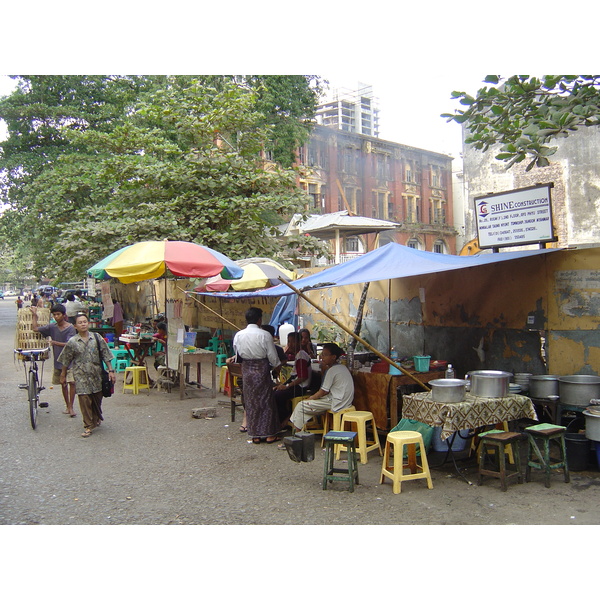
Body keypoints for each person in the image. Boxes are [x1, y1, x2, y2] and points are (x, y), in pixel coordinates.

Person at [58, 313, 116, 438]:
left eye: (85, 321)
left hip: (96, 374)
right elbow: (66, 359)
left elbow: (106, 354)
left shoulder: (96, 338)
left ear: (88, 323)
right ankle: (88, 426)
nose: (83, 324)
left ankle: (96, 418)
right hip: (81, 375)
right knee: (84, 400)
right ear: (75, 326)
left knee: (96, 399)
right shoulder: (73, 342)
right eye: (80, 322)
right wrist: (63, 375)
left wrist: (111, 370)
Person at [230, 306, 281, 444]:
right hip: (262, 369)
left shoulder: (239, 335)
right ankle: (270, 434)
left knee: (251, 401)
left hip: (247, 369)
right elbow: (273, 357)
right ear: (259, 320)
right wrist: (276, 365)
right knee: (266, 401)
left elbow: (237, 353)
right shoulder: (265, 335)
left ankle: (255, 435)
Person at [286, 342, 354, 433]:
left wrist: (311, 398)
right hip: (343, 400)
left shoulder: (332, 370)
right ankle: (297, 434)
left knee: (301, 406)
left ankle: (295, 437)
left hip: (337, 402)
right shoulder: (341, 367)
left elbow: (323, 391)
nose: (322, 357)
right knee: (304, 406)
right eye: (322, 354)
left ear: (333, 357)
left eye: (325, 355)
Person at [31, 304, 78, 416]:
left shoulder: (70, 328)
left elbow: (69, 344)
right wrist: (34, 315)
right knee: (63, 383)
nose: (56, 316)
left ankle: (71, 407)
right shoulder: (52, 327)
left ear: (64, 315)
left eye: (58, 314)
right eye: (54, 315)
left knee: (72, 382)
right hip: (58, 361)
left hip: (70, 361)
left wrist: (54, 342)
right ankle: (67, 406)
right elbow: (35, 329)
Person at [274, 331, 313, 428]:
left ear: (300, 342)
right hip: (296, 384)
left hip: (300, 387)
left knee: (276, 396)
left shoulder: (301, 356)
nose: (290, 345)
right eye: (289, 342)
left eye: (293, 342)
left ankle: (286, 418)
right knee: (275, 391)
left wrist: (287, 386)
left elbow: (303, 377)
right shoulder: (298, 355)